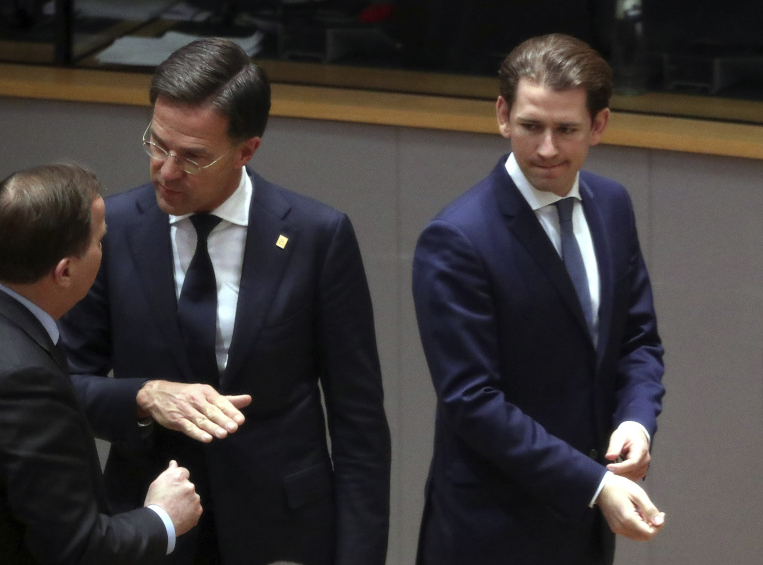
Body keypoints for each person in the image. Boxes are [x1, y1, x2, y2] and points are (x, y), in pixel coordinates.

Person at [59, 37, 391, 565]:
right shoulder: (112, 230)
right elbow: (63, 386)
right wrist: (143, 396)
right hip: (150, 524)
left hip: (281, 533)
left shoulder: (316, 237)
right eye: (157, 144)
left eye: (192, 157)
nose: (167, 170)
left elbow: (359, 422)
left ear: (246, 150)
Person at [412, 34, 666, 564]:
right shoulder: (458, 238)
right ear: (503, 116)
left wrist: (636, 421)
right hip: (492, 531)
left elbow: (637, 339)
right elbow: (472, 401)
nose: (547, 149)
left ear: (599, 125)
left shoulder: (612, 205)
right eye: (531, 126)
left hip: (585, 529)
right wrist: (595, 484)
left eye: (566, 129)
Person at [0, 163, 203, 564]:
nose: (104, 251)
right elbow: (77, 550)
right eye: (99, 242)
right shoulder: (24, 381)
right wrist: (162, 517)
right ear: (65, 271)